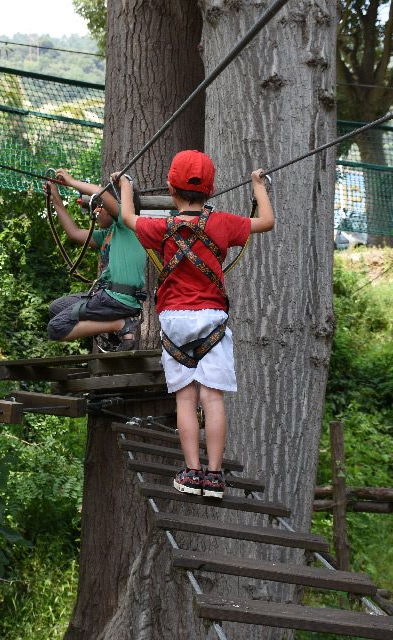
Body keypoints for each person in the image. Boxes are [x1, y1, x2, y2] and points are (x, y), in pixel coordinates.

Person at [114, 150, 274, 498]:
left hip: (174, 321)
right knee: (212, 398)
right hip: (212, 320)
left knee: (185, 399)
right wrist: (258, 186)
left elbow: (127, 217)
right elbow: (266, 222)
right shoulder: (222, 224)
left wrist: (125, 185)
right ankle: (214, 477)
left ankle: (191, 474)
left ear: (171, 190)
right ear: (211, 191)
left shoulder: (160, 228)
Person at [44, 169, 147, 351]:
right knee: (56, 308)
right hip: (107, 296)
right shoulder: (109, 234)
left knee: (56, 328)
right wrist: (55, 198)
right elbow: (74, 233)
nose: (97, 210)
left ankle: (120, 325)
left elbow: (103, 194)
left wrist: (72, 181)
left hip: (118, 299)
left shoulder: (127, 226)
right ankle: (119, 327)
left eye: (101, 207)